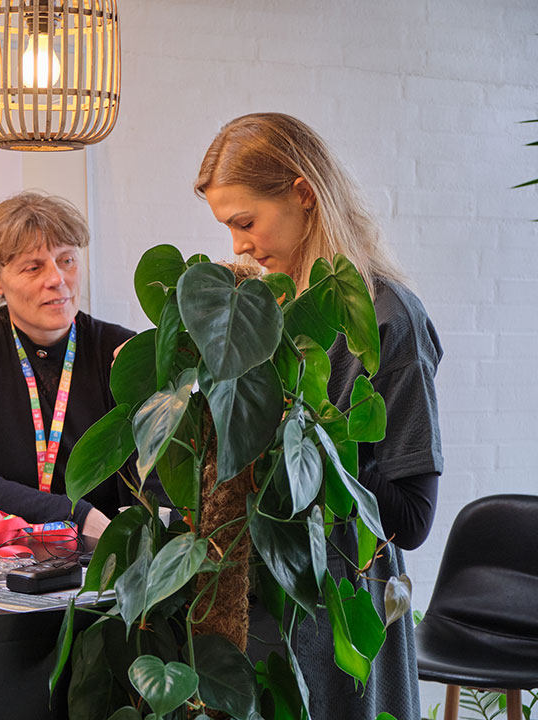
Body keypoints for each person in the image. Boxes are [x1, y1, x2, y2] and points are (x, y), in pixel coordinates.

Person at [196, 112, 442, 720]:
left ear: (303, 195)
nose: (238, 246)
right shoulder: (266, 312)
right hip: (253, 604)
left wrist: (305, 422)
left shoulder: (390, 320)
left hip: (340, 610)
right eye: (228, 228)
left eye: (245, 223)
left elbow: (411, 517)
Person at [0, 192, 147, 540]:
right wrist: (74, 514)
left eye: (67, 260)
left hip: (100, 558)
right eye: (34, 267)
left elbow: (149, 488)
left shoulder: (118, 349)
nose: (57, 279)